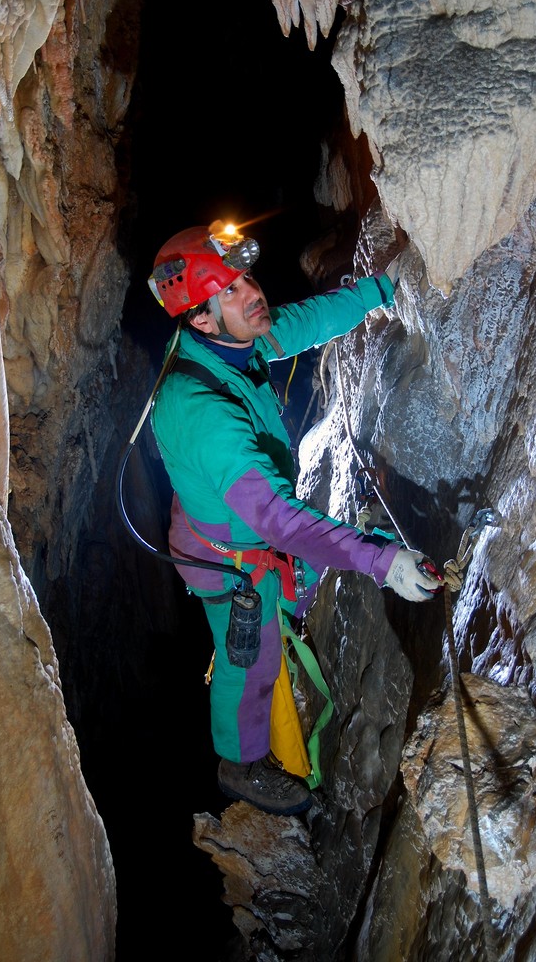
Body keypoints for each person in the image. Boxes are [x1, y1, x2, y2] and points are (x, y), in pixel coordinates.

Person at [147, 221, 441, 816]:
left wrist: (380, 291)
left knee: (267, 627)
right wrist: (381, 560)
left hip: (241, 525)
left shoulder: (233, 342)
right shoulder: (201, 410)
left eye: (245, 278)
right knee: (247, 656)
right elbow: (279, 517)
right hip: (224, 558)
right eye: (230, 290)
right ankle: (240, 764)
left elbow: (304, 323)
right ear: (200, 317)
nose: (252, 292)